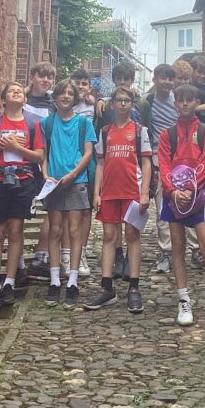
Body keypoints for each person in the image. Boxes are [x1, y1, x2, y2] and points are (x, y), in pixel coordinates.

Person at [158, 85, 205, 329]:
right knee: (177, 245)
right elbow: (164, 166)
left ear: (197, 103)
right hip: (173, 197)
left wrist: (191, 187)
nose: (185, 104)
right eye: (181, 100)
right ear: (175, 104)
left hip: (198, 194)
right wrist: (173, 191)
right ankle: (183, 300)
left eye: (190, 100)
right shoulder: (167, 134)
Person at [84, 86, 151, 312]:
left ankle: (134, 287)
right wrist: (97, 193)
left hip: (132, 190)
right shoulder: (105, 132)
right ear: (112, 104)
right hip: (110, 192)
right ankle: (107, 288)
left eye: (126, 100)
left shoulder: (140, 131)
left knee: (132, 235)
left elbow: (146, 163)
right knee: (109, 237)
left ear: (132, 104)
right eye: (119, 100)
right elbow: (100, 163)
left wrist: (144, 193)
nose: (122, 104)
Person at [0, 82, 45, 309]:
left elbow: (39, 157)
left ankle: (9, 281)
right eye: (11, 90)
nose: (17, 92)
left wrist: (17, 148)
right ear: (4, 100)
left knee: (16, 230)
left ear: (24, 100)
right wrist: (0, 145)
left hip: (23, 181)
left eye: (19, 91)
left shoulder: (33, 124)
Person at [41, 80, 96, 308]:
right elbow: (43, 153)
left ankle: (72, 281)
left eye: (70, 93)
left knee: (74, 231)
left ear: (75, 98)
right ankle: (55, 280)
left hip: (77, 181)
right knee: (54, 230)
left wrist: (73, 174)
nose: (66, 96)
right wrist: (45, 174)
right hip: (54, 182)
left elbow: (88, 152)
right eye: (62, 92)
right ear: (55, 97)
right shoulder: (47, 123)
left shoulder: (83, 122)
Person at [141, 64, 201, 272]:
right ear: (155, 79)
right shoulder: (146, 101)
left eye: (170, 78)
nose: (167, 82)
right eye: (162, 78)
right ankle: (166, 251)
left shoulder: (180, 100)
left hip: (183, 155)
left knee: (191, 200)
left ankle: (195, 249)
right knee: (163, 205)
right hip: (159, 155)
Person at [24, 63, 57, 281]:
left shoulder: (53, 104)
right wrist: (25, 90)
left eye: (50, 77)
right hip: (23, 161)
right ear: (32, 77)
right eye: (42, 76)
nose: (46, 80)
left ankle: (40, 257)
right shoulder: (21, 99)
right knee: (19, 214)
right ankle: (17, 263)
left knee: (50, 210)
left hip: (47, 161)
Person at [70, 67, 96, 278]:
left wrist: (99, 100)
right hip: (65, 158)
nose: (80, 86)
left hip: (88, 160)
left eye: (84, 83)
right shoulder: (62, 101)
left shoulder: (94, 105)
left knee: (86, 209)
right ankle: (66, 252)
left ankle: (83, 251)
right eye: (77, 82)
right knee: (66, 211)